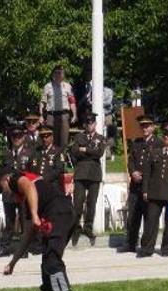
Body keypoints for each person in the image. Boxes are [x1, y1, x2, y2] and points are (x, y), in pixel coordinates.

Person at [0, 168, 80, 291]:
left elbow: (28, 186)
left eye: (2, 188)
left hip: (59, 213)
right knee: (47, 262)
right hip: (65, 213)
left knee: (52, 261)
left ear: (5, 180)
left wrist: (35, 214)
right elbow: (27, 236)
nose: (4, 194)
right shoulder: (28, 201)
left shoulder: (15, 178)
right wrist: (13, 263)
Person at [138, 122, 168, 258]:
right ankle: (146, 248)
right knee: (150, 221)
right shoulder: (154, 152)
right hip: (155, 193)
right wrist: (145, 190)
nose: (166, 137)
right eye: (164, 134)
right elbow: (147, 173)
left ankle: (166, 249)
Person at [119, 115, 160, 253]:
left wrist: (146, 176)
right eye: (142, 126)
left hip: (150, 186)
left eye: (147, 126)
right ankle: (131, 243)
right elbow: (131, 160)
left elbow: (159, 165)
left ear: (153, 127)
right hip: (136, 186)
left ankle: (146, 245)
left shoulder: (158, 143)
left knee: (150, 217)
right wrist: (133, 172)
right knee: (133, 216)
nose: (145, 129)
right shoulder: (137, 142)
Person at [0, 125, 34, 257]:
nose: (16, 139)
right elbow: (1, 171)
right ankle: (5, 246)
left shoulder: (29, 153)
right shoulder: (6, 152)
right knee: (9, 220)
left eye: (19, 136)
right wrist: (3, 182)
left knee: (24, 220)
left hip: (22, 192)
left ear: (24, 137)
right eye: (14, 136)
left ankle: (23, 249)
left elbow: (32, 173)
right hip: (9, 192)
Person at [70, 113, 106, 247]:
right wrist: (90, 150)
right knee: (77, 204)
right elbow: (74, 151)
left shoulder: (101, 138)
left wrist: (84, 149)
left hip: (94, 175)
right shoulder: (79, 136)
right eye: (87, 123)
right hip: (80, 173)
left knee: (91, 203)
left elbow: (99, 153)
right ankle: (76, 228)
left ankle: (88, 228)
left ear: (95, 124)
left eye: (92, 123)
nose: (89, 125)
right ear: (85, 124)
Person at [39, 65, 77, 147]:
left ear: (63, 74)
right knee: (50, 139)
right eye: (57, 73)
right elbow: (42, 102)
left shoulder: (68, 86)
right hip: (51, 116)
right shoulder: (47, 86)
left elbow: (72, 102)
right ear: (53, 74)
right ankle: (50, 158)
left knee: (64, 140)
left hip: (64, 115)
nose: (59, 74)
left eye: (61, 73)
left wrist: (74, 114)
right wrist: (41, 115)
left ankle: (62, 158)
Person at [32, 125, 65, 189]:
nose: (44, 139)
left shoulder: (58, 151)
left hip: (51, 185)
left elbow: (59, 169)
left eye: (47, 137)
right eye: (42, 137)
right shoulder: (37, 151)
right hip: (37, 184)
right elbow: (33, 166)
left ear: (52, 137)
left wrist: (44, 177)